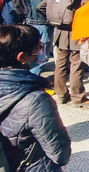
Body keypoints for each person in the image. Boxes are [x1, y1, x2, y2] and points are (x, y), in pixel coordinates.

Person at [0, 25, 71, 171]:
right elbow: (60, 154)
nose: (41, 51)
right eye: (38, 48)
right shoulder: (37, 100)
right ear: (22, 57)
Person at [37, 0, 89, 106]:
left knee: (60, 65)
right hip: (77, 32)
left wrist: (55, 18)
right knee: (76, 65)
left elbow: (40, 6)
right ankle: (78, 97)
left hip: (60, 32)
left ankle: (61, 95)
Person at [24, 0, 63, 74]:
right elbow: (39, 5)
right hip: (40, 22)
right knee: (40, 55)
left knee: (39, 53)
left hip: (37, 21)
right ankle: (36, 82)